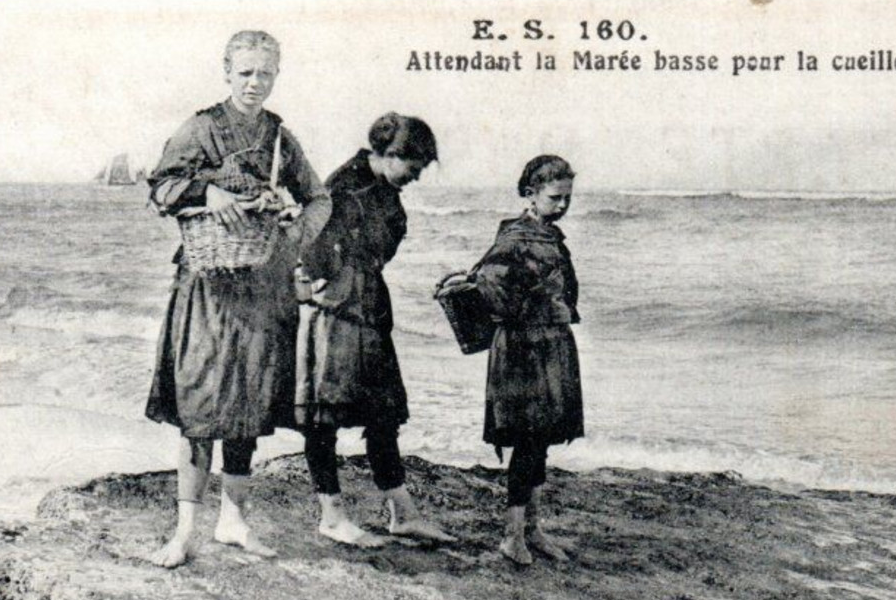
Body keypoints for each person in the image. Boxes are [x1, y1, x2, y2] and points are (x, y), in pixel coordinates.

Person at [145, 30, 331, 567]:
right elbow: (161, 188)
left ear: (277, 75)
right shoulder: (201, 126)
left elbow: (318, 198)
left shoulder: (279, 137)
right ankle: (183, 533)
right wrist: (210, 192)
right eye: (246, 72)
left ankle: (233, 521)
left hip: (263, 284)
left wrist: (296, 228)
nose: (255, 83)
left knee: (248, 403)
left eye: (266, 74)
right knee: (200, 405)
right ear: (227, 71)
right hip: (207, 289)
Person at [292, 113, 453, 546]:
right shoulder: (345, 185)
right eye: (413, 168)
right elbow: (310, 241)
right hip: (337, 314)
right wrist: (328, 279)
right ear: (390, 153)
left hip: (369, 308)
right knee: (323, 417)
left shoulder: (379, 185)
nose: (415, 177)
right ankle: (331, 515)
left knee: (383, 414)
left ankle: (402, 513)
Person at [473, 155, 584, 566]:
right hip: (523, 351)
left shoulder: (550, 237)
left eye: (568, 198)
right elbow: (488, 284)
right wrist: (531, 306)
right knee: (527, 440)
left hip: (551, 346)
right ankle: (512, 535)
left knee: (542, 440)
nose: (563, 206)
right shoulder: (516, 237)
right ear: (530, 194)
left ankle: (533, 529)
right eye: (556, 197)